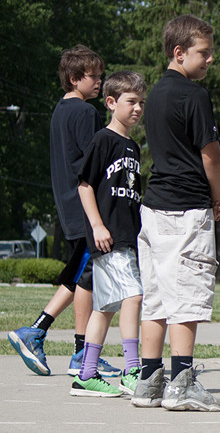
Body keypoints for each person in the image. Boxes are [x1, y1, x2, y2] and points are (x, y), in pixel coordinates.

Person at [132, 14, 220, 412]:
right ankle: (182, 384)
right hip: (186, 208)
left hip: (153, 208)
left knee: (156, 298)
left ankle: (149, 382)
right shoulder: (193, 96)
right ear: (179, 52)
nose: (209, 60)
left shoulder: (154, 93)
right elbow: (211, 155)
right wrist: (217, 197)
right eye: (203, 53)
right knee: (187, 295)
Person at [7, 45, 121, 378]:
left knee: (80, 275)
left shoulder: (60, 110)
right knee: (87, 279)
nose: (99, 81)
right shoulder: (86, 114)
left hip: (67, 204)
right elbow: (95, 162)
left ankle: (41, 333)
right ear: (74, 78)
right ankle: (79, 351)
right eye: (93, 76)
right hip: (87, 206)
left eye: (100, 75)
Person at [71, 71, 147, 397]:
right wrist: (98, 225)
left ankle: (87, 374)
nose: (138, 108)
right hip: (109, 236)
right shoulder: (103, 139)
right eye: (131, 101)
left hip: (128, 235)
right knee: (134, 296)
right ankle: (132, 370)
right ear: (112, 102)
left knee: (106, 306)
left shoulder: (133, 147)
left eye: (142, 102)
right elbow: (84, 184)